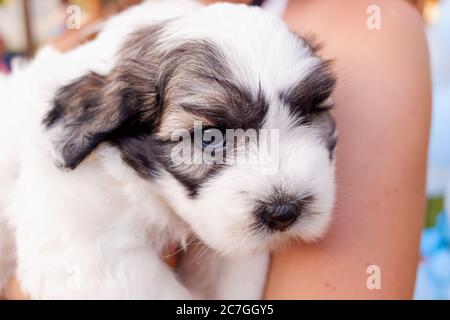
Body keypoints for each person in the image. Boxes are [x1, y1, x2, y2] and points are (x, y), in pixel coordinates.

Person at [2, 0, 431, 299]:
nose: (282, 195)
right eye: (210, 138)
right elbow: (72, 266)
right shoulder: (82, 88)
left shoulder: (371, 30)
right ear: (109, 123)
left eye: (306, 116)